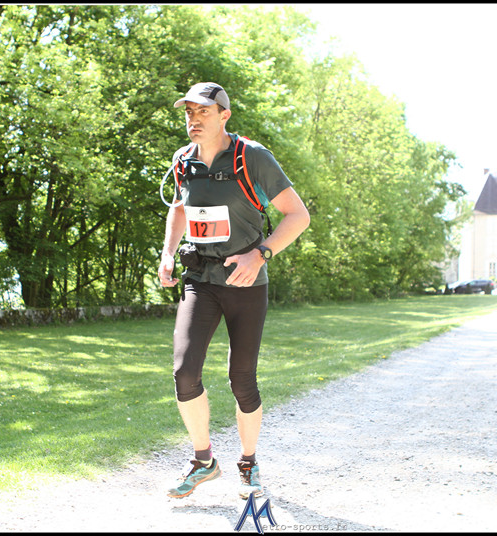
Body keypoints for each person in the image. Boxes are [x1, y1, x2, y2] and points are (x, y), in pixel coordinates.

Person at [158, 82, 310, 499]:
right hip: (200, 280)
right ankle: (204, 461)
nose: (194, 119)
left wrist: (259, 255)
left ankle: (248, 463)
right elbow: (180, 208)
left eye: (203, 112)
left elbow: (298, 216)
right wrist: (168, 252)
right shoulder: (183, 160)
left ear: (224, 115)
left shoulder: (252, 157)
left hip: (245, 281)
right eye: (189, 112)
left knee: (242, 379)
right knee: (185, 372)